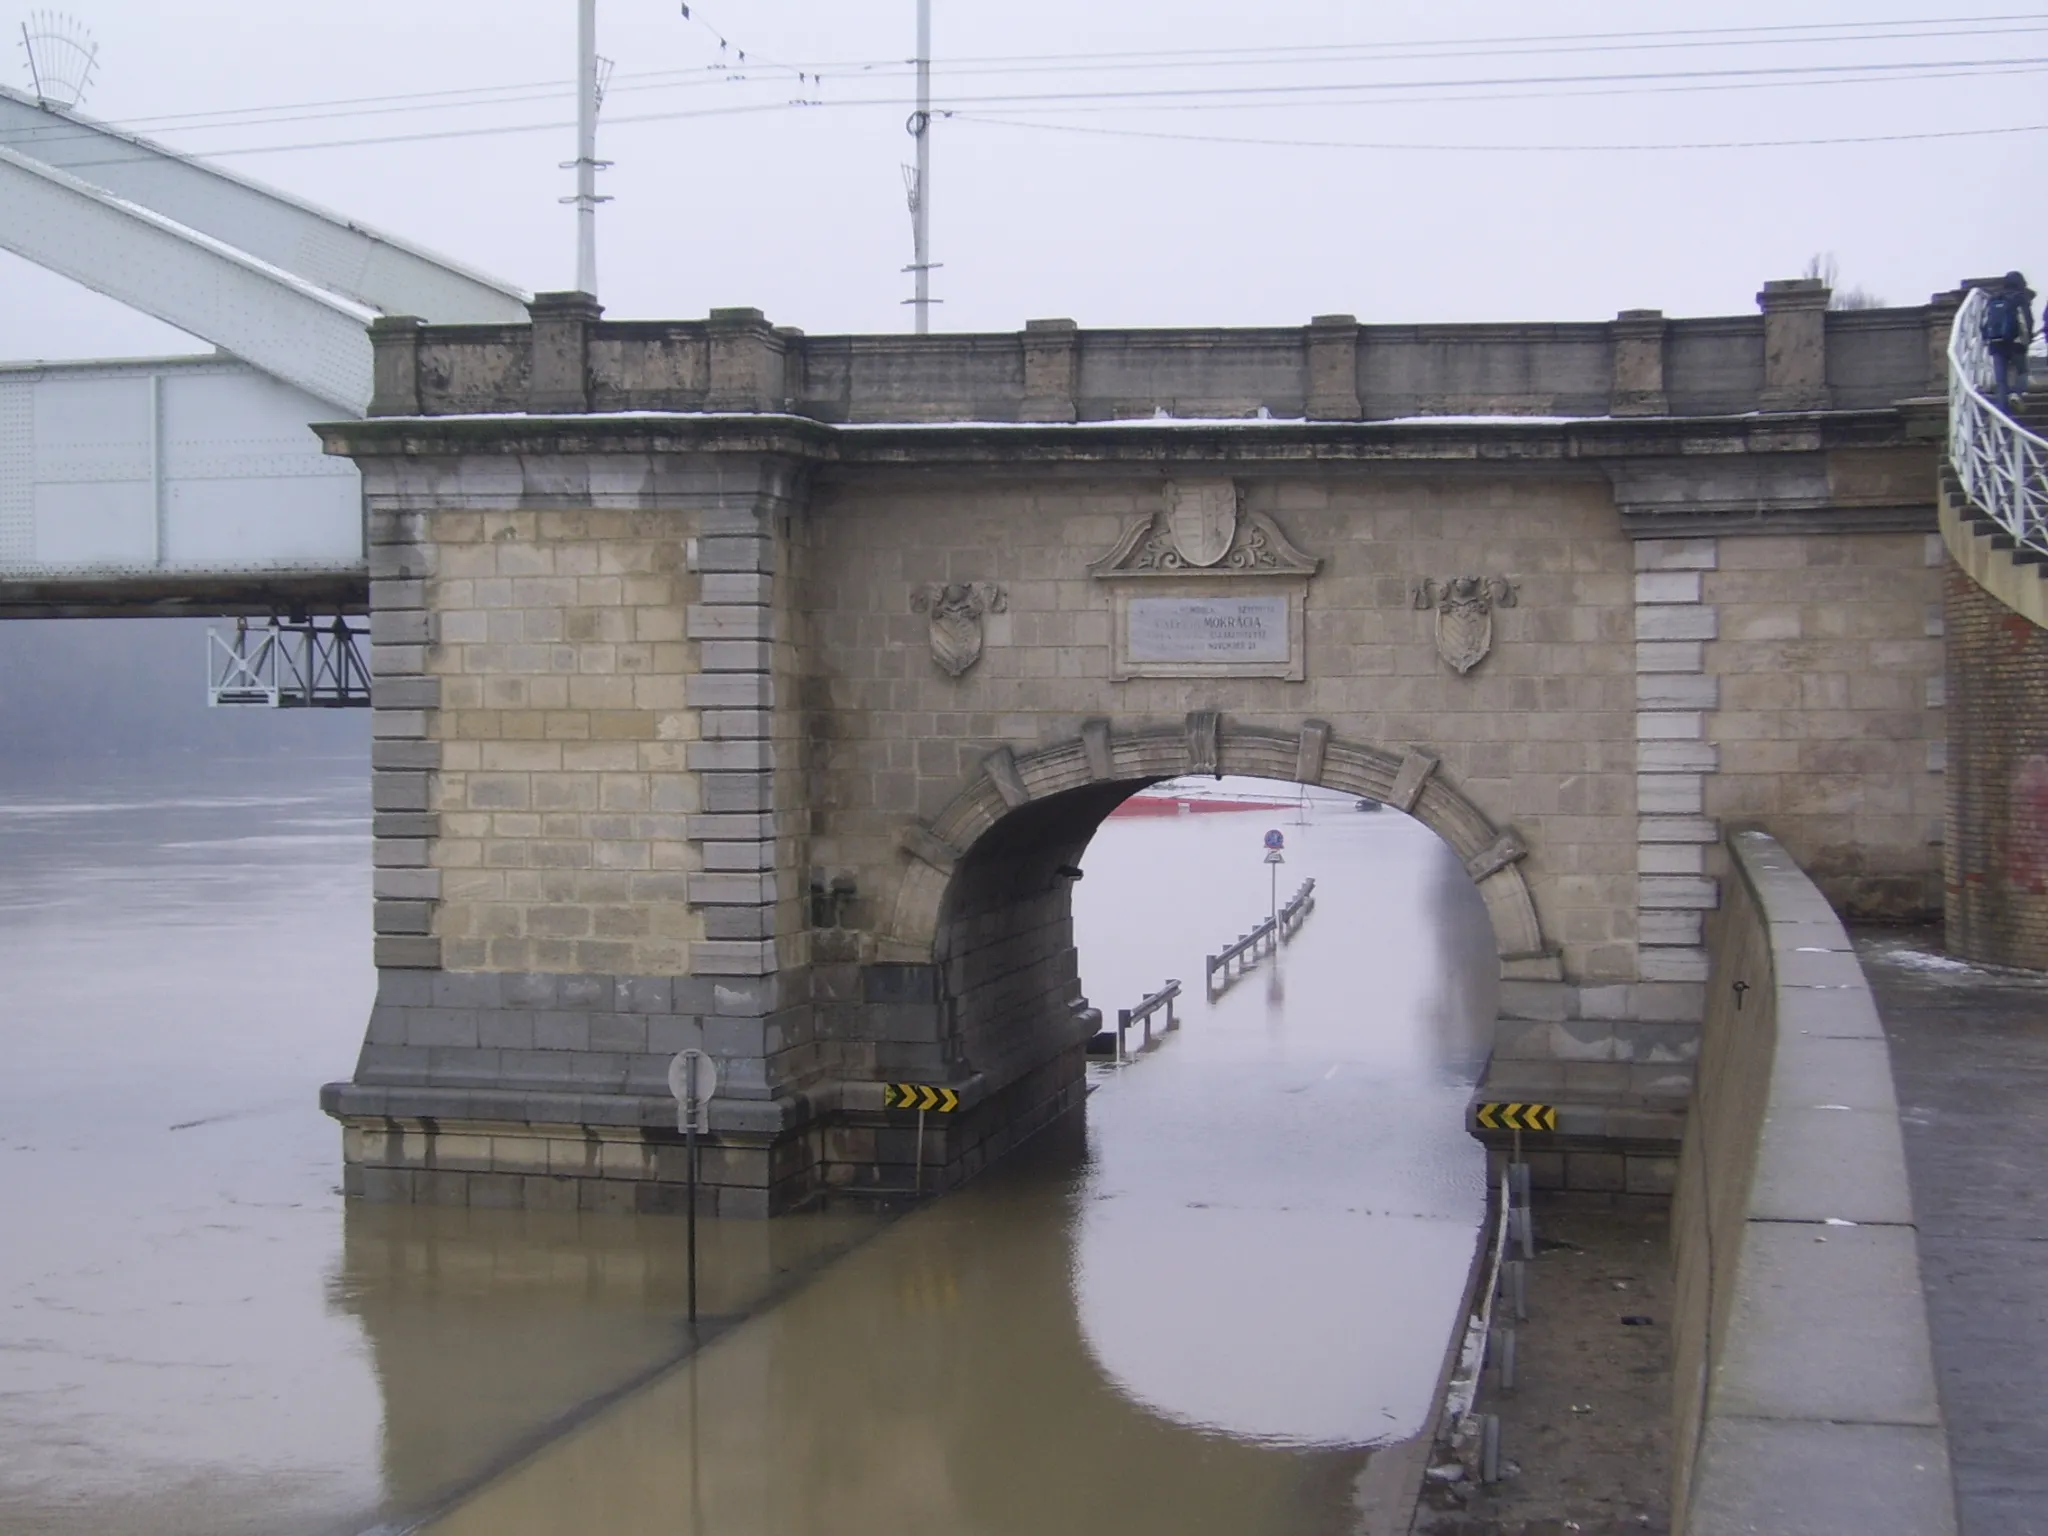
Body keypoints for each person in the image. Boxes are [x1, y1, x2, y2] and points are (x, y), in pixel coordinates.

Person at [1980, 270, 2037, 414]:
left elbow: (1984, 322)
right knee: (2022, 372)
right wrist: (2027, 339)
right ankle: (2015, 394)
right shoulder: (2019, 297)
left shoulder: (1994, 298)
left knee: (2001, 380)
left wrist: (1987, 338)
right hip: (2016, 342)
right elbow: (2027, 320)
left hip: (1996, 342)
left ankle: (2003, 414)